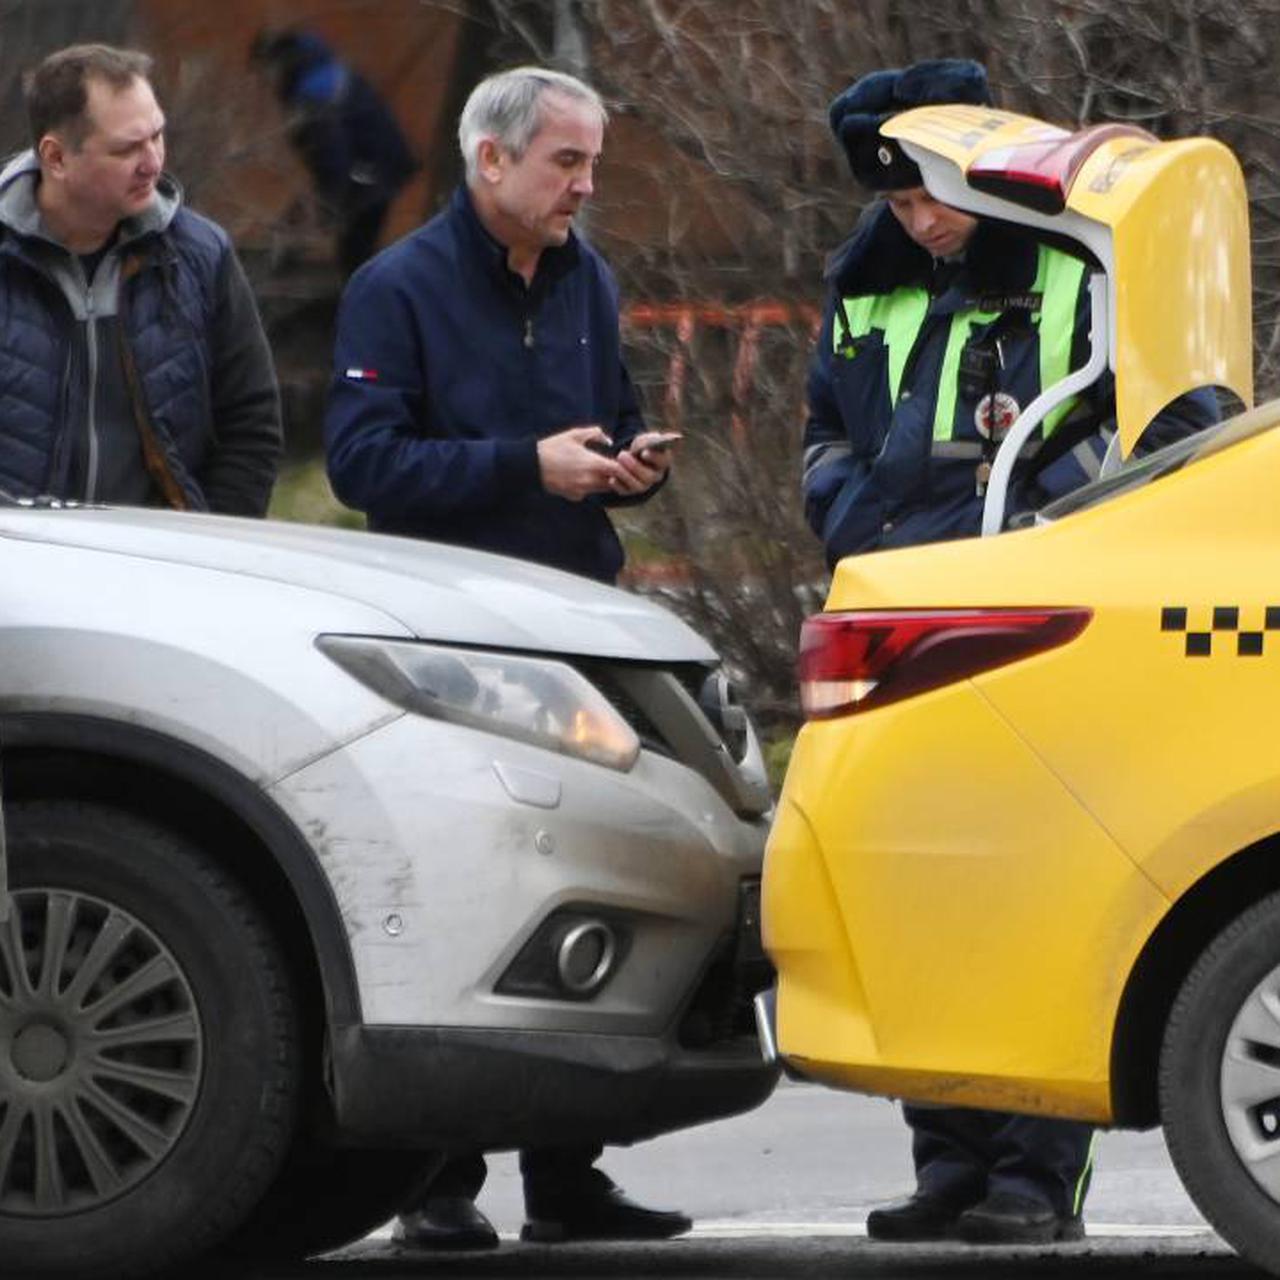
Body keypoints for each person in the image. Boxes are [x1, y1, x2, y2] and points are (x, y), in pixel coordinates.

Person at [803, 59, 1217, 1245]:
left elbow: (1152, 432)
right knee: (914, 887)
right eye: (896, 201)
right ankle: (945, 1154)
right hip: (902, 609)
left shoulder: (1074, 265)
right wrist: (855, 520)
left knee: (1039, 887)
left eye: (932, 193)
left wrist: (1031, 519)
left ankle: (1034, 1169)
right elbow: (821, 430)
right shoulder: (864, 281)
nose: (919, 219)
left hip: (1034, 616)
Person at [324, 66, 685, 1248]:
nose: (586, 184)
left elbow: (607, 420)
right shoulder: (397, 288)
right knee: (460, 894)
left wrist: (633, 464)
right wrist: (524, 466)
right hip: (447, 646)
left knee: (576, 885)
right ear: (490, 160)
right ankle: (435, 1180)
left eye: (589, 162)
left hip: (573, 627)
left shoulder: (589, 278)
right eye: (565, 163)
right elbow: (364, 465)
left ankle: (565, 1176)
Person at [0, 44, 281, 514]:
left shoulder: (199, 256)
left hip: (157, 566)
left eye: (156, 136)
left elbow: (250, 425)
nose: (152, 161)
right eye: (127, 148)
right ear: (56, 158)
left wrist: (208, 550)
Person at [250, 27, 418, 277]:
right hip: (376, 167)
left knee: (355, 251)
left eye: (264, 71)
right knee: (353, 247)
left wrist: (328, 203)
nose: (263, 81)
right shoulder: (320, 72)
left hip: (371, 171)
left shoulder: (314, 92)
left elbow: (333, 154)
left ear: (277, 64)